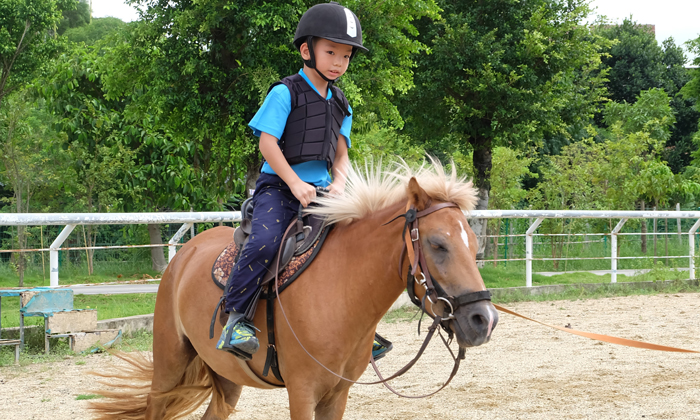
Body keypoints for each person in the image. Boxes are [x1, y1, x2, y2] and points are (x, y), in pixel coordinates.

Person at [217, 1, 391, 361]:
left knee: (359, 246)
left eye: (345, 56)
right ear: (306, 50)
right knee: (265, 243)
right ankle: (236, 317)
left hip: (325, 191)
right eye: (331, 52)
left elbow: (341, 153)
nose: (339, 62)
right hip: (280, 188)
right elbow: (267, 143)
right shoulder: (285, 92)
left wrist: (340, 185)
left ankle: (363, 329)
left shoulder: (342, 103)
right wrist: (295, 183)